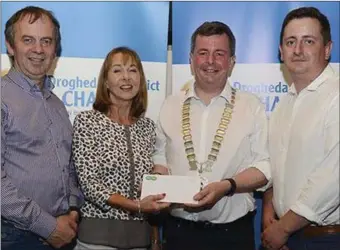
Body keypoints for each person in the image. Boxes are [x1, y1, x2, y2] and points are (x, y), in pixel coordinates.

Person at [152, 21, 272, 250]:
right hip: (179, 234)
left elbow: (264, 167)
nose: (210, 61)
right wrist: (159, 182)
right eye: (203, 53)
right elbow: (160, 157)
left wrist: (226, 186)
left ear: (232, 62)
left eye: (219, 54)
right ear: (191, 59)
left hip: (233, 235)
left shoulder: (251, 106)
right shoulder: (170, 105)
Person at [1, 6, 84, 250]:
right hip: (13, 236)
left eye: (46, 41)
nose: (38, 49)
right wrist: (47, 226)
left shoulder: (56, 105)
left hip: (63, 231)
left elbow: (68, 167)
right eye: (28, 40)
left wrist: (72, 210)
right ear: (10, 45)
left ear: (54, 49)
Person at [72, 46, 170, 250]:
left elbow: (151, 186)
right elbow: (89, 184)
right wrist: (135, 205)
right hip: (97, 240)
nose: (126, 77)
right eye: (117, 70)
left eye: (133, 70)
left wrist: (153, 239)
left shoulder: (148, 127)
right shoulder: (87, 122)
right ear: (106, 81)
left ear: (141, 80)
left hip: (140, 241)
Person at [262, 7, 340, 250]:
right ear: (280, 51)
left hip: (325, 238)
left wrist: (283, 227)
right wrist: (269, 209)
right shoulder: (284, 104)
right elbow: (277, 165)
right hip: (287, 236)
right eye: (290, 42)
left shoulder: (336, 96)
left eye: (308, 41)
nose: (297, 50)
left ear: (327, 48)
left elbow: (332, 179)